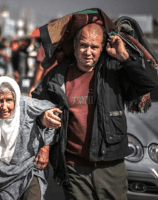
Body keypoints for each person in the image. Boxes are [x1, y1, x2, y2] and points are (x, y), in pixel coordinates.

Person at [32, 20, 158, 200]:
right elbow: (36, 106)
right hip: (74, 168)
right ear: (74, 46)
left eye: (94, 47)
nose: (88, 52)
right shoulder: (57, 75)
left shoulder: (114, 71)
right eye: (83, 45)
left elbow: (150, 82)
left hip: (111, 167)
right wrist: (43, 116)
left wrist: (124, 56)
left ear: (102, 48)